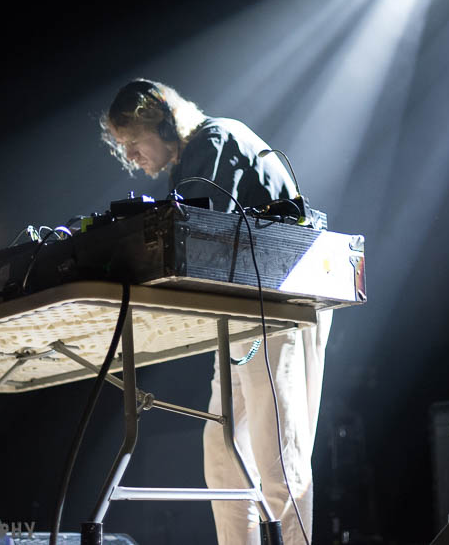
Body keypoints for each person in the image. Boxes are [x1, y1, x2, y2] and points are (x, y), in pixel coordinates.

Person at [101, 79, 331, 544]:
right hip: (246, 310)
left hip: (275, 304)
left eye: (133, 142)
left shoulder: (213, 139)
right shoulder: (195, 156)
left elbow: (202, 230)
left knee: (277, 454)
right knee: (225, 456)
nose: (130, 156)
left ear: (164, 123)